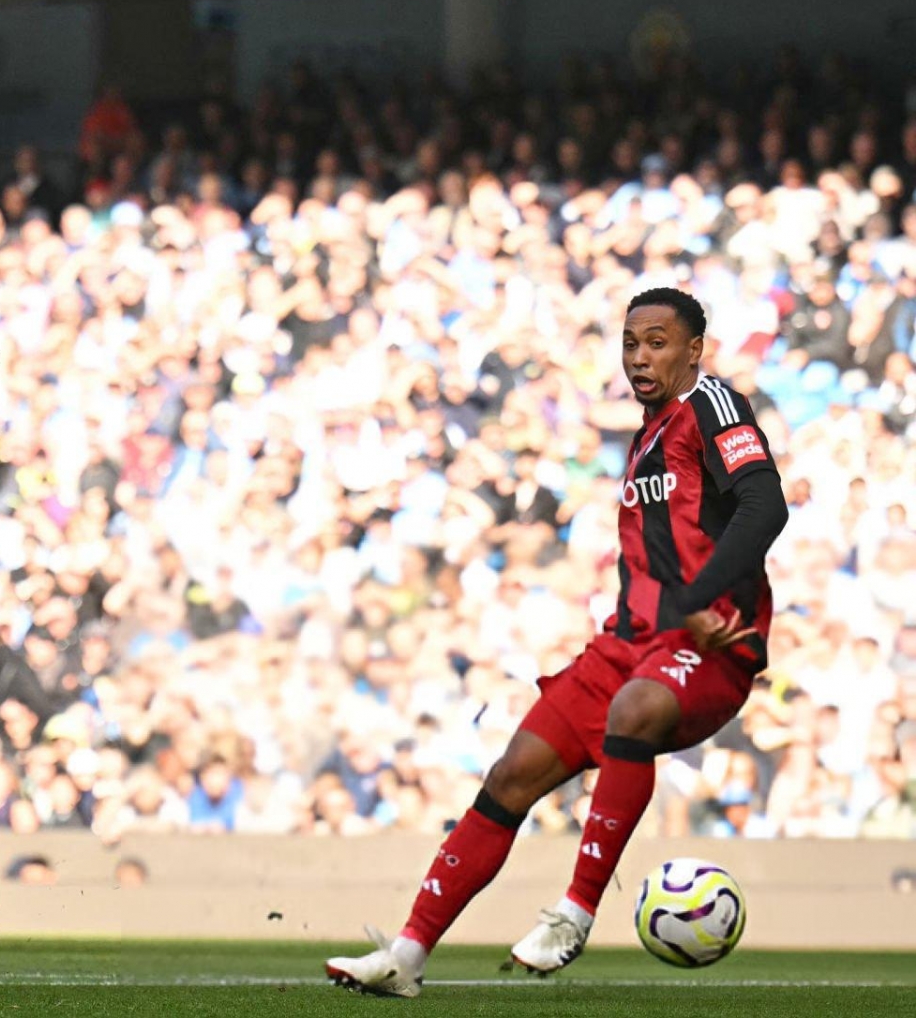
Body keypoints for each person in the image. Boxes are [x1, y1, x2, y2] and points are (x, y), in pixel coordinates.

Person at [327, 286, 789, 998]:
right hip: (626, 643)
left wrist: (698, 601)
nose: (640, 355)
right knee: (512, 772)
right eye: (631, 341)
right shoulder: (646, 436)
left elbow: (765, 504)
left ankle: (574, 913)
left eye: (658, 341)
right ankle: (406, 955)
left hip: (709, 646)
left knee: (636, 710)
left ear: (695, 350)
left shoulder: (712, 405)